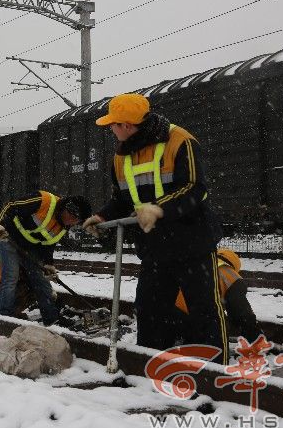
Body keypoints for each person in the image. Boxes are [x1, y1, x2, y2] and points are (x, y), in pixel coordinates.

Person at [82, 93, 227, 363]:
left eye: (113, 125)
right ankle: (148, 367)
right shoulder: (120, 157)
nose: (111, 130)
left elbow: (196, 189)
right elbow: (122, 199)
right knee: (150, 310)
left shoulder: (179, 140)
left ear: (126, 125)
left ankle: (214, 372)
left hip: (192, 242)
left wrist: (159, 208)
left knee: (203, 310)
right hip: (154, 247)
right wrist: (101, 216)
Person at [0, 190, 91, 326]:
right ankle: (4, 317)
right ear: (66, 209)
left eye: (77, 221)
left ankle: (51, 318)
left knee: (40, 279)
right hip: (9, 237)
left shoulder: (64, 225)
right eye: (73, 218)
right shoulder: (43, 201)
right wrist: (1, 224)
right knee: (10, 277)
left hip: (30, 245)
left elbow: (49, 243)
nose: (72, 223)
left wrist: (48, 263)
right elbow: (11, 206)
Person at [174, 248, 262, 343]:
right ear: (234, 265)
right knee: (218, 331)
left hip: (176, 313)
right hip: (200, 317)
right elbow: (241, 311)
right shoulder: (230, 274)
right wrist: (254, 335)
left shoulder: (201, 265)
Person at [0, 247, 38, 315]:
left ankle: (0, 303)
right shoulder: (24, 250)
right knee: (34, 289)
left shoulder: (5, 246)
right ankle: (11, 312)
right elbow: (29, 277)